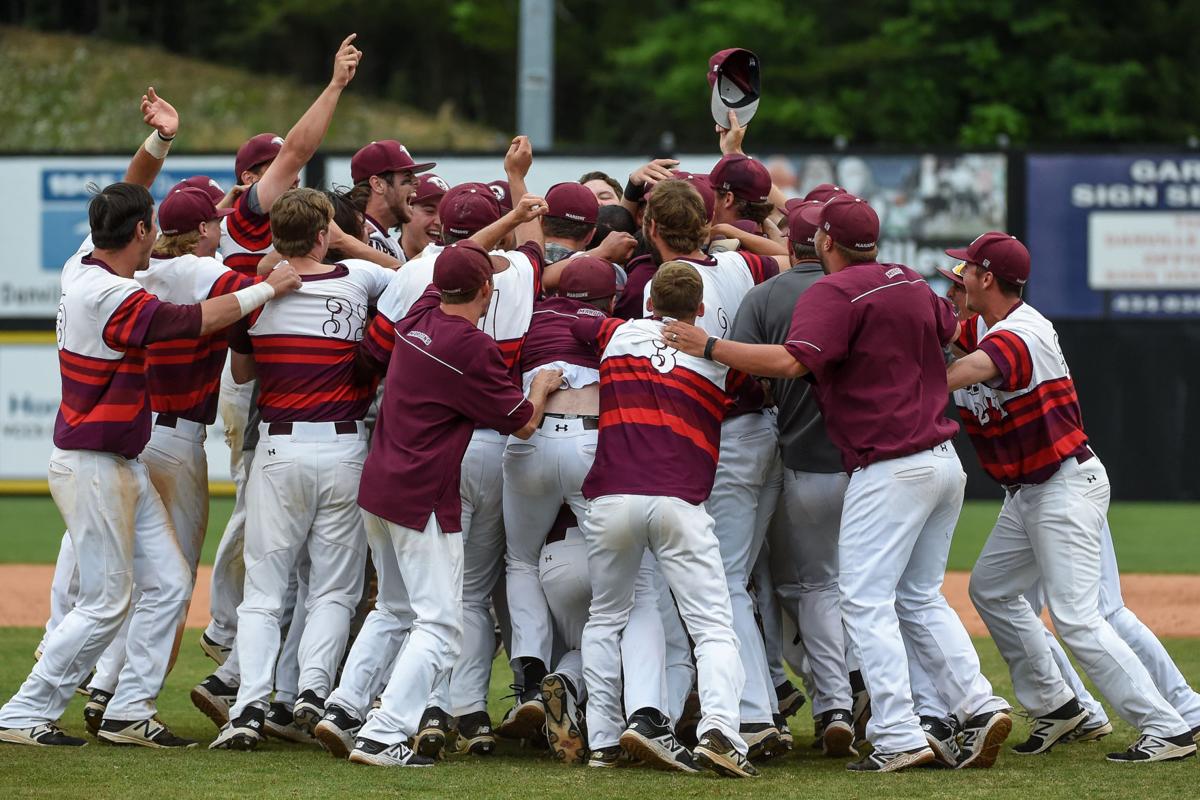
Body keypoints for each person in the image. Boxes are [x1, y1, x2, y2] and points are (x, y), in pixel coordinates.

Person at [663, 193, 1012, 773]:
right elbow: (949, 330)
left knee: (865, 600)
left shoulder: (834, 291)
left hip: (890, 462)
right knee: (919, 596)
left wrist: (711, 346)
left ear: (826, 242)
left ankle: (899, 733)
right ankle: (978, 703)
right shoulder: (909, 280)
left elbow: (794, 363)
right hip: (945, 458)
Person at [0, 182, 299, 749]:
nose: (158, 235)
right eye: (152, 225)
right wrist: (267, 287)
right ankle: (25, 709)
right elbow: (187, 323)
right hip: (93, 465)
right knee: (108, 599)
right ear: (139, 231)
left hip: (121, 461)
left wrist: (159, 143)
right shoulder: (111, 296)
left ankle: (129, 710)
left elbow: (126, 201)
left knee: (167, 582)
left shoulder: (80, 267)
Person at [945, 232, 1198, 764]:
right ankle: (1060, 707)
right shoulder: (983, 325)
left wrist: (904, 377)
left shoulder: (1023, 332)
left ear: (987, 278)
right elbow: (952, 332)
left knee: (1081, 618)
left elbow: (964, 371)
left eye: (964, 272)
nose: (957, 281)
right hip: (1032, 492)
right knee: (992, 589)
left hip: (1063, 486)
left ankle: (1168, 727)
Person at [342, 241, 562, 767]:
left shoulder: (418, 314)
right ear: (486, 288)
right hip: (421, 492)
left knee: (395, 608)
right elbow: (523, 421)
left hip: (379, 485)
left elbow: (440, 284)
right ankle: (383, 733)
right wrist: (544, 385)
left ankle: (343, 708)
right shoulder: (472, 346)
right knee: (440, 625)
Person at [205, 32, 373, 668]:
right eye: (277, 169)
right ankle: (233, 653)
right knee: (266, 523)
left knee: (271, 521)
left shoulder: (244, 224)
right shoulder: (252, 216)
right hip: (258, 374)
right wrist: (333, 85)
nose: (291, 172)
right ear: (251, 178)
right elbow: (302, 144)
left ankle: (247, 658)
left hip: (259, 355)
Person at [207, 188, 393, 751]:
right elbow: (414, 275)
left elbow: (242, 372)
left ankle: (248, 706)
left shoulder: (253, 295)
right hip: (344, 447)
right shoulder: (359, 282)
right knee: (333, 590)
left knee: (265, 589)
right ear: (323, 234)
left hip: (278, 448)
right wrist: (350, 245)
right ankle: (313, 693)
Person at [576, 262, 754, 778]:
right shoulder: (721, 357)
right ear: (700, 308)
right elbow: (751, 394)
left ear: (649, 300)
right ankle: (720, 729)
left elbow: (580, 324)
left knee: (606, 619)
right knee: (713, 627)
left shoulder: (616, 333)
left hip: (612, 498)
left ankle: (603, 738)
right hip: (679, 502)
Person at [730, 198, 856, 758]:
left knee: (806, 588)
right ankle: (916, 706)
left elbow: (743, 379)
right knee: (897, 594)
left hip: (805, 460)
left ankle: (829, 704)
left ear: (791, 244)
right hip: (878, 464)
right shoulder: (868, 290)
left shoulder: (765, 296)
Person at [348, 139, 436, 262]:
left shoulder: (385, 239)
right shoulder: (359, 236)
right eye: (407, 177)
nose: (417, 182)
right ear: (378, 185)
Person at [401, 173, 449, 260]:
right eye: (429, 211)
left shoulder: (451, 267)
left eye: (444, 213)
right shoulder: (380, 262)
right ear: (405, 210)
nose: (439, 222)